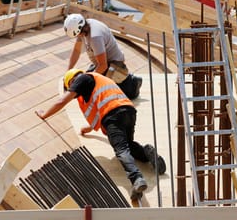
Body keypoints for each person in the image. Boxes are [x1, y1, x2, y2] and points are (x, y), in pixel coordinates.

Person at [35, 68, 166, 200]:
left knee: (121, 150)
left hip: (113, 115)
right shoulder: (95, 80)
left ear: (72, 81)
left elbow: (61, 101)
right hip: (128, 111)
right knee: (129, 146)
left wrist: (44, 114)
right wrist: (89, 128)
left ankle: (137, 179)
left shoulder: (81, 79)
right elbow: (100, 106)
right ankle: (147, 153)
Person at [63, 13, 143, 100]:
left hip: (114, 65)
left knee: (97, 90)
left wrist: (86, 81)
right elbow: (76, 51)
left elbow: (103, 66)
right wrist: (68, 72)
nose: (78, 37)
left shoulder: (95, 37)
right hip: (101, 62)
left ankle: (133, 83)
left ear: (80, 30)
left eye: (77, 35)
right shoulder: (85, 26)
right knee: (86, 83)